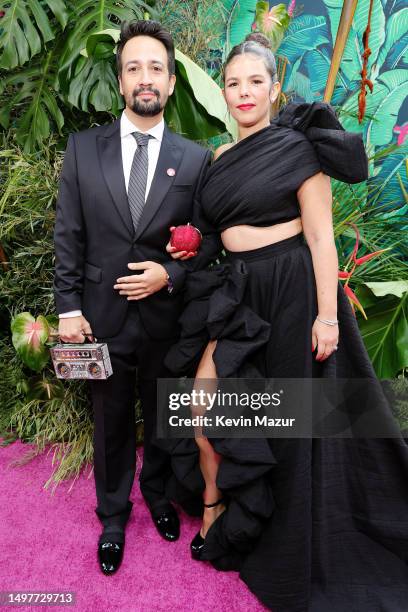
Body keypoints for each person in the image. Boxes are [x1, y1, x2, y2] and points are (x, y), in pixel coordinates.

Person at [162, 33, 408, 611]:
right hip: (239, 290)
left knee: (290, 419)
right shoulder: (217, 160)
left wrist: (327, 315)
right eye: (232, 82)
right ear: (223, 93)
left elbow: (321, 236)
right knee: (203, 402)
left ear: (274, 90)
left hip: (294, 288)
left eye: (255, 82)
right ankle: (218, 509)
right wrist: (186, 248)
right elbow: (209, 237)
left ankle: (280, 527)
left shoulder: (299, 149)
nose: (243, 91)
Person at [53, 20, 221, 576]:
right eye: (133, 68)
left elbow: (209, 240)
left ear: (172, 83)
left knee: (164, 416)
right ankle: (112, 516)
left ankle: (157, 494)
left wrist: (168, 275)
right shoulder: (81, 151)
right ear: (120, 82)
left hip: (165, 319)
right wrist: (69, 309)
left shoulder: (195, 160)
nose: (144, 78)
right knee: (111, 420)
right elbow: (69, 236)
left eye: (155, 68)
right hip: (100, 318)